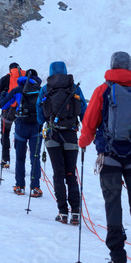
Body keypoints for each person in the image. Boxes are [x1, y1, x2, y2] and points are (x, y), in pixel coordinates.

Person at [79, 51, 131, 263]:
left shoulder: (102, 90)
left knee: (113, 207)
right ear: (130, 67)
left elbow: (90, 121)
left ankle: (118, 262)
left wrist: (83, 142)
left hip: (109, 158)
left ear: (112, 65)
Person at [38, 62, 87, 224]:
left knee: (58, 174)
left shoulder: (46, 89)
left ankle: (63, 212)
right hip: (71, 134)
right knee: (70, 174)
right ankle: (76, 213)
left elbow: (40, 115)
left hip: (52, 135)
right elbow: (83, 111)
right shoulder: (74, 88)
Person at [1, 68, 43, 196]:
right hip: (36, 126)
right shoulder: (41, 90)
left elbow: (3, 105)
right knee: (35, 157)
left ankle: (20, 186)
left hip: (21, 125)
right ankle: (35, 188)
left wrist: (3, 95)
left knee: (20, 157)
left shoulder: (18, 89)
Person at [0, 63, 25, 169]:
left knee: (5, 134)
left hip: (8, 110)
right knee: (19, 134)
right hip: (22, 110)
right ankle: (20, 160)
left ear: (10, 69)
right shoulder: (25, 78)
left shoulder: (6, 78)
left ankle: (5, 159)